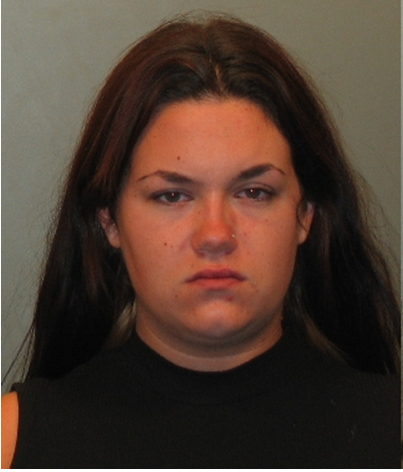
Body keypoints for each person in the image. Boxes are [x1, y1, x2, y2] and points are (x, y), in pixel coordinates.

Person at [1, 14, 400, 468]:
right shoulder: (11, 444)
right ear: (109, 221)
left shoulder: (391, 434)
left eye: (254, 192)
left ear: (305, 215)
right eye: (172, 195)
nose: (215, 235)